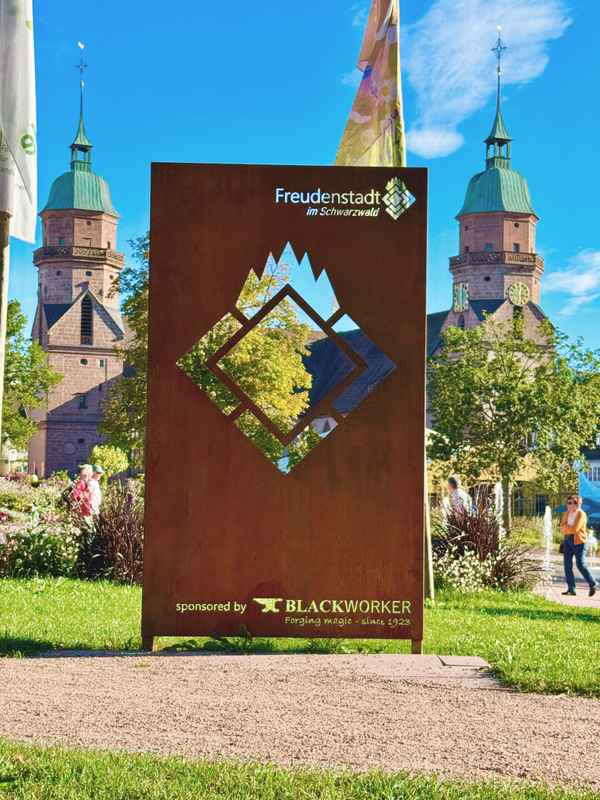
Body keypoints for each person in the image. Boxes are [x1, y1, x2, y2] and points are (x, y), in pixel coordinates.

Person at [560, 495, 597, 597]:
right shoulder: (566, 514)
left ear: (579, 504)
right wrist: (567, 529)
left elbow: (575, 529)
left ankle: (592, 583)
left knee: (580, 564)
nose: (571, 505)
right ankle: (571, 589)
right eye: (569, 503)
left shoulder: (581, 514)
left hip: (579, 541)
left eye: (574, 503)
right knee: (567, 565)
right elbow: (561, 527)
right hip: (567, 541)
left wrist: (566, 528)